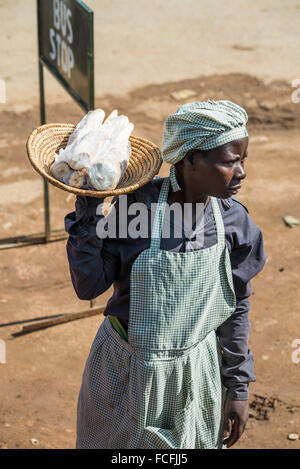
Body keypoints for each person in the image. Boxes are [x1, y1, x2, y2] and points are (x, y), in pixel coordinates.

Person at [64, 100, 266, 449]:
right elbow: (89, 285)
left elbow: (237, 306)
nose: (242, 172)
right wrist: (88, 211)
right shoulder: (136, 208)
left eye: (242, 159)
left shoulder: (234, 222)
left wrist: (238, 386)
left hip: (196, 374)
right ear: (190, 160)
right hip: (124, 373)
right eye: (229, 161)